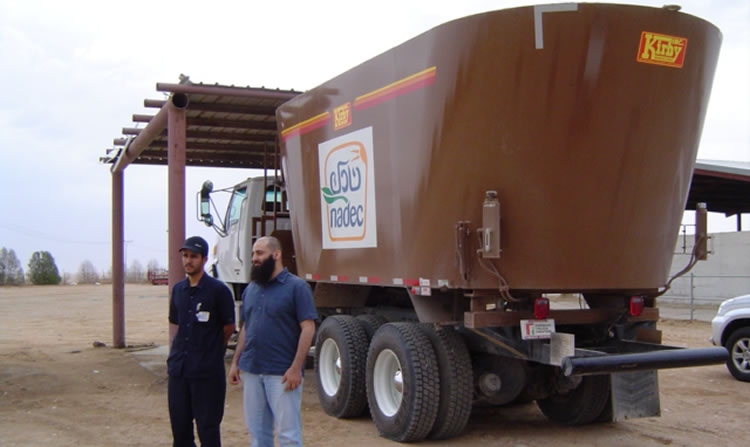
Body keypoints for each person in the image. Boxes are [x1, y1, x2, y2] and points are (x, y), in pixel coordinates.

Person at [228, 236, 318, 447]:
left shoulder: (297, 287)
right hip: (252, 371)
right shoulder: (251, 289)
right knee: (258, 436)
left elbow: (308, 328)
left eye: (260, 253)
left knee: (288, 437)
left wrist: (296, 368)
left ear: (276, 255)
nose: (254, 258)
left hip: (282, 374)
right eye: (253, 254)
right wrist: (235, 362)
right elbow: (246, 328)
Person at [167, 236, 236, 447]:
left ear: (204, 259)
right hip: (179, 373)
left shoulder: (218, 291)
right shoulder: (178, 291)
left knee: (208, 430)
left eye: (193, 257)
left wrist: (211, 351)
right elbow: (176, 322)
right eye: (185, 256)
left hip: (207, 375)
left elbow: (228, 328)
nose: (188, 261)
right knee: (180, 431)